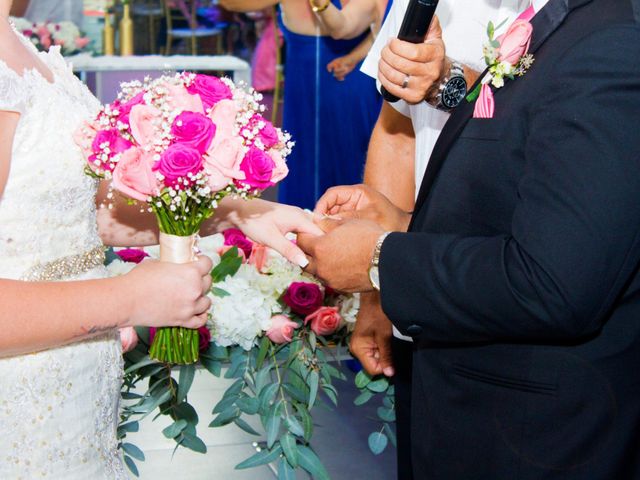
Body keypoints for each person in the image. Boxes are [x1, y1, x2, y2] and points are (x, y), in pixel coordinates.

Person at [299, 0, 640, 477]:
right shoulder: (550, 18)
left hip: (535, 425)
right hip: (465, 366)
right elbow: (518, 158)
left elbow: (554, 282)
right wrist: (403, 224)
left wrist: (382, 260)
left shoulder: (611, 42)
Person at [0, 3, 320, 476]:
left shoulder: (15, 37)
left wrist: (236, 212)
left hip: (74, 395)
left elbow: (73, 216)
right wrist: (130, 297)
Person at [349, 1, 527, 478]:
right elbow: (397, 130)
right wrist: (378, 288)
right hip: (426, 287)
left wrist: (448, 81)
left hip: (526, 289)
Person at [220, 0, 384, 209]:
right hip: (305, 82)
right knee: (304, 159)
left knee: (352, 156)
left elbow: (378, 28)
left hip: (351, 83)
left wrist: (355, 56)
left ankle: (353, 227)